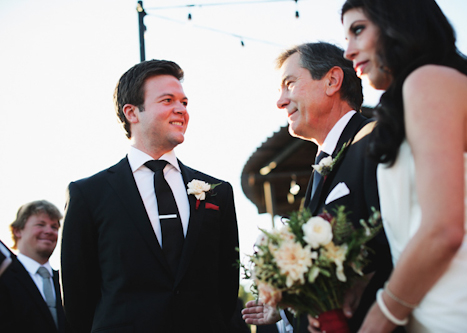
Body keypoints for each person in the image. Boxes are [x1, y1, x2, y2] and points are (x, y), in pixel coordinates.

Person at [321, 0, 467, 332]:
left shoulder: (429, 81)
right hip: (428, 304)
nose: (348, 51)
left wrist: (382, 314)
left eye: (358, 30)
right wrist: (368, 282)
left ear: (397, 22)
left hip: (464, 305)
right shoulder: (415, 97)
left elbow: (443, 229)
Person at [61, 60, 240, 333]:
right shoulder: (88, 194)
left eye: (184, 102)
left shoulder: (218, 191)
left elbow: (227, 285)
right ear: (132, 112)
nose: (180, 110)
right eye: (167, 100)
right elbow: (77, 297)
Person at [242, 42, 394, 333]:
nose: (281, 101)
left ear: (332, 81)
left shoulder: (373, 141)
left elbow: (399, 242)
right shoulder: (319, 170)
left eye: (290, 84)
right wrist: (286, 306)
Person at [0, 200, 68, 332]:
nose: (49, 231)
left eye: (54, 227)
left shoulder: (66, 280)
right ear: (18, 230)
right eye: (40, 224)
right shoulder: (4, 275)